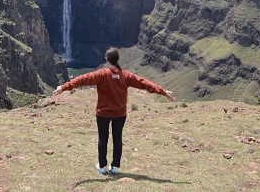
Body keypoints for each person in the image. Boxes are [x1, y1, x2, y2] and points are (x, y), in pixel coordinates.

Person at [52, 46, 175, 176]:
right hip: (120, 114)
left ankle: (102, 166)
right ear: (118, 59)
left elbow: (82, 79)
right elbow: (144, 83)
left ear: (106, 59)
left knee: (102, 139)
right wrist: (162, 91)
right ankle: (115, 166)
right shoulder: (126, 76)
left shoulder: (102, 74)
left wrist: (63, 87)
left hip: (103, 114)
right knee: (117, 139)